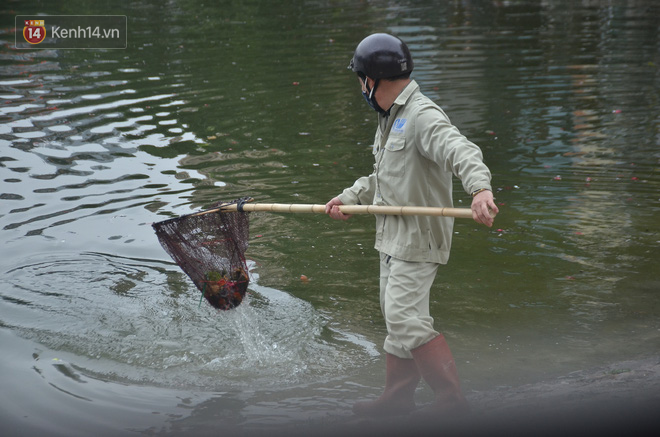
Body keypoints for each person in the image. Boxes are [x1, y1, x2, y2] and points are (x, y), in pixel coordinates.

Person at [325, 33, 498, 419]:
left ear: (373, 79)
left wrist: (480, 189)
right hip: (391, 236)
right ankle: (398, 397)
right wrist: (350, 198)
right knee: (396, 317)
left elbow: (460, 149)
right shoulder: (390, 120)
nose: (359, 86)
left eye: (359, 78)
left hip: (419, 236)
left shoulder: (422, 115)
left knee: (405, 316)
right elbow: (381, 178)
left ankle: (452, 401)